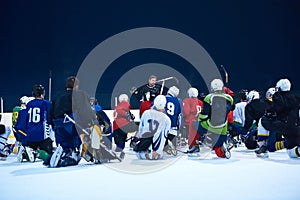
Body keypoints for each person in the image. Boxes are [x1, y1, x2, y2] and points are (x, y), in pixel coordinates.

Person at [47, 76, 96, 167]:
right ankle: (81, 150)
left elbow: (50, 114)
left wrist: (53, 125)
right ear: (77, 86)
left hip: (58, 125)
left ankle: (64, 150)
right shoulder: (80, 95)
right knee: (78, 137)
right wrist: (91, 121)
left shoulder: (57, 97)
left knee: (65, 143)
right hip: (72, 124)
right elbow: (86, 110)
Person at [257, 79, 300, 158]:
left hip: (283, 124)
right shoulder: (295, 98)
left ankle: (262, 147)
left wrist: (270, 112)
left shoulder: (278, 97)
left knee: (262, 121)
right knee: (291, 152)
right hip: (296, 127)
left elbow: (275, 109)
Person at [197, 79, 235, 159]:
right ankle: (221, 146)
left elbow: (204, 114)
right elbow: (232, 108)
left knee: (195, 123)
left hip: (211, 125)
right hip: (223, 127)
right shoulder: (229, 98)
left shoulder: (209, 97)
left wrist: (199, 119)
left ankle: (205, 139)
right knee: (219, 150)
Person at [16, 84, 54, 162]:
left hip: (30, 135)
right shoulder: (46, 104)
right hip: (42, 136)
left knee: (31, 146)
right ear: (43, 93)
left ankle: (26, 153)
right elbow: (50, 118)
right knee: (49, 156)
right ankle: (36, 153)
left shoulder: (29, 104)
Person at [133, 95, 171, 160]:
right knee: (163, 154)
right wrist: (158, 151)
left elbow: (140, 129)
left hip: (144, 144)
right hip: (156, 145)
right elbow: (163, 136)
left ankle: (144, 153)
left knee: (139, 153)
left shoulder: (146, 113)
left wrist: (137, 138)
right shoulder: (166, 119)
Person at [113, 94, 137, 158]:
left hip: (116, 127)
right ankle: (135, 140)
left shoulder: (117, 106)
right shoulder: (124, 104)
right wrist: (127, 115)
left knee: (120, 144)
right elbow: (122, 110)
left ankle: (118, 151)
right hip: (123, 125)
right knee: (140, 127)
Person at [182, 87, 203, 154]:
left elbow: (186, 112)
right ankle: (196, 146)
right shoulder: (200, 102)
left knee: (191, 135)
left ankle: (192, 146)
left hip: (190, 121)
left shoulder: (187, 100)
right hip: (199, 121)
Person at [163, 86, 182, 155]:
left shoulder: (162, 98)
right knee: (171, 137)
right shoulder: (177, 101)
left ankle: (164, 146)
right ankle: (170, 145)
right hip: (173, 124)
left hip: (163, 123)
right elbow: (179, 115)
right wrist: (179, 126)